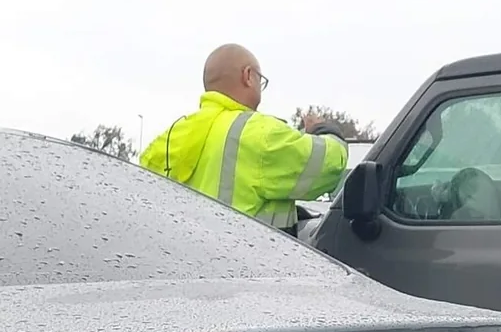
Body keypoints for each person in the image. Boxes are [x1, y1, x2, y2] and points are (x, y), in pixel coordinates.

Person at [139, 44, 348, 233]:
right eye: (260, 80)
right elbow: (329, 166)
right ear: (248, 76)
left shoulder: (170, 137)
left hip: (182, 260)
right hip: (252, 261)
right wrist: (321, 128)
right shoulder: (259, 133)